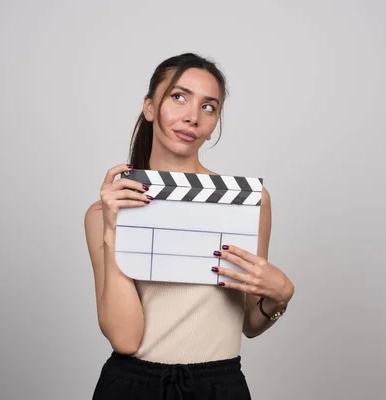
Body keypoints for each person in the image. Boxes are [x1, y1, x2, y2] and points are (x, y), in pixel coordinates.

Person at [84, 53, 295, 399]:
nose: (192, 117)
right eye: (178, 97)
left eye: (208, 107)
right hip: (132, 385)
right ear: (150, 107)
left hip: (218, 384)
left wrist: (280, 295)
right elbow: (125, 338)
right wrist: (112, 229)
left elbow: (250, 324)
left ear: (214, 124)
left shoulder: (246, 202)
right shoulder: (102, 213)